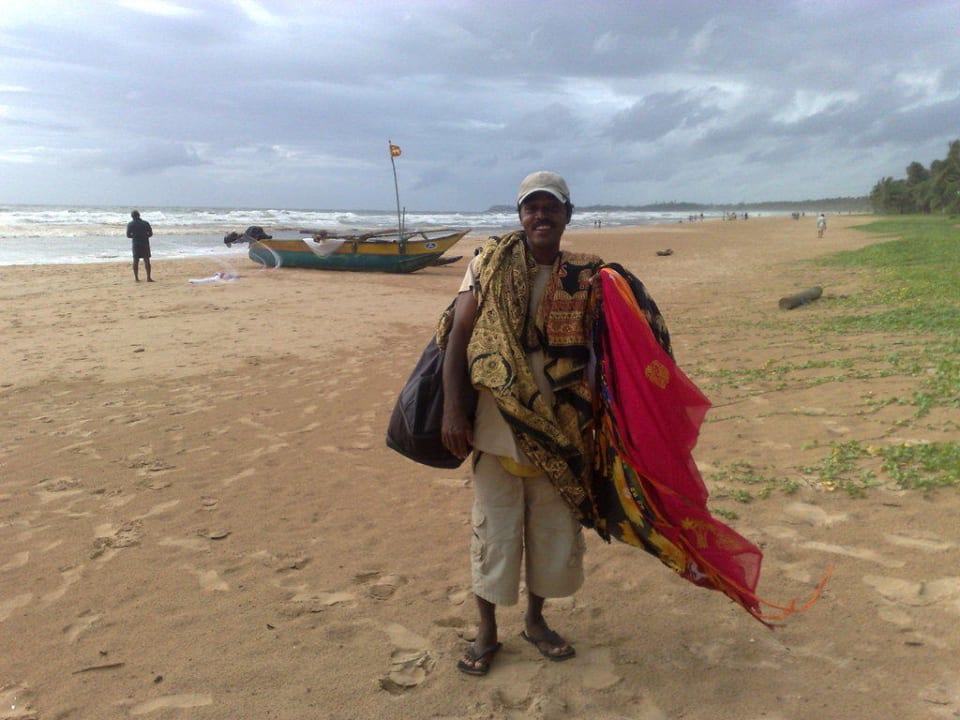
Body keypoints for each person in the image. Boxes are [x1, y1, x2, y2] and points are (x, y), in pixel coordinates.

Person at [440, 171, 601, 675]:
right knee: (494, 532)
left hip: (562, 427)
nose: (540, 216)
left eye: (550, 208)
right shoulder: (487, 264)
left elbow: (605, 352)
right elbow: (459, 336)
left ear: (567, 216)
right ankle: (487, 632)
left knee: (552, 531)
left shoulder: (587, 276)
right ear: (520, 216)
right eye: (531, 208)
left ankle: (535, 621)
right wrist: (453, 409)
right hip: (495, 425)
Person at [126, 210, 154, 282]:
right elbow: (150, 234)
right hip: (145, 243)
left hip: (136, 244)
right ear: (139, 215)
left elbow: (128, 235)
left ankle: (136, 278)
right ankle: (148, 278)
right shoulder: (145, 223)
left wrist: (135, 236)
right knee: (146, 260)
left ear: (132, 216)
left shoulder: (130, 224)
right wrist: (145, 236)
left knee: (135, 261)